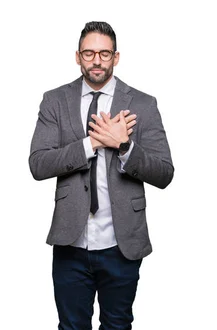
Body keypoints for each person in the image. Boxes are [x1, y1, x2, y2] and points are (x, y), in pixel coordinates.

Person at [29, 21, 174, 329]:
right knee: (71, 326)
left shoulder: (142, 104)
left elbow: (164, 172)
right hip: (71, 242)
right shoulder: (55, 100)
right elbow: (38, 164)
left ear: (116, 57)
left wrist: (123, 145)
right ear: (78, 56)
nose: (96, 60)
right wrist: (92, 143)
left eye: (104, 53)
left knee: (118, 324)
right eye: (89, 53)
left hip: (121, 243)